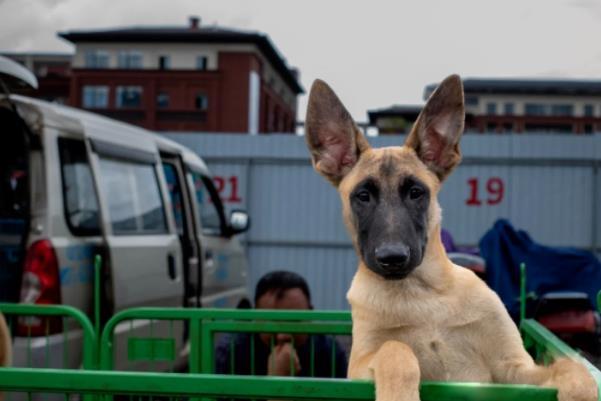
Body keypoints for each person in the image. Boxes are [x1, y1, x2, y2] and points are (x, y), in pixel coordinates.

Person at [215, 271, 347, 378]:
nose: (283, 335)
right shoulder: (230, 352)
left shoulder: (330, 351)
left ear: (310, 314)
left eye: (294, 322)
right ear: (254, 317)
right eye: (272, 323)